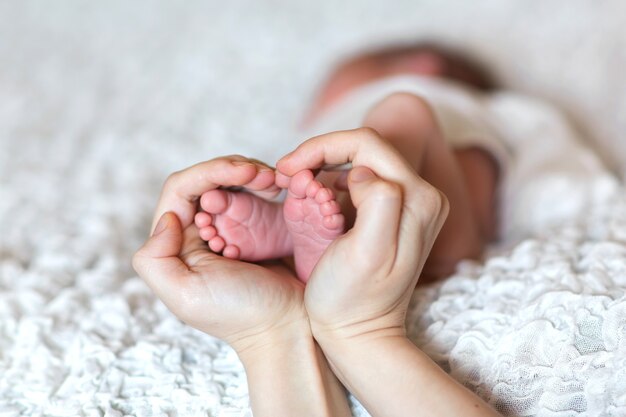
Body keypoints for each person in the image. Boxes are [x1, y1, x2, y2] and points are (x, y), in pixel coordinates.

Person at [132, 129, 501, 416]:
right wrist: (353, 327)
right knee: (384, 137)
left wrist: (271, 333)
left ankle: (298, 229)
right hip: (402, 241)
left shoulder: (491, 114)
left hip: (403, 210)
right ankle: (310, 235)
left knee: (399, 113)